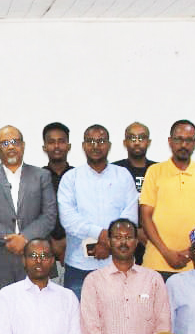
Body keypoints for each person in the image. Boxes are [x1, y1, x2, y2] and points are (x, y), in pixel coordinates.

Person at [80, 218, 170, 334]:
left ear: (136, 242)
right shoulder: (93, 280)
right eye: (117, 237)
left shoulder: (153, 279)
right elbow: (91, 331)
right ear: (109, 241)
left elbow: (163, 327)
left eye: (128, 237)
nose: (123, 242)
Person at [56, 124, 139, 298]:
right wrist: (103, 235)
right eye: (90, 141)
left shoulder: (123, 175)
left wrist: (108, 244)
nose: (96, 146)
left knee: (120, 313)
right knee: (79, 314)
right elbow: (69, 219)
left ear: (109, 145)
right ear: (83, 145)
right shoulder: (71, 178)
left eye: (101, 141)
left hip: (117, 263)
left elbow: (130, 217)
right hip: (79, 266)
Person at [0, 125, 57, 292]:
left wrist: (24, 239)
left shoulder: (42, 176)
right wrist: (9, 239)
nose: (10, 147)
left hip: (35, 259)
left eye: (15, 142)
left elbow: (49, 216)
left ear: (23, 145)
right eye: (5, 143)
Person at [140, 119, 195, 279]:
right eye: (179, 139)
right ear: (170, 141)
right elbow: (145, 216)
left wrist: (191, 252)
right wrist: (166, 253)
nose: (184, 145)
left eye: (189, 140)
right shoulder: (154, 171)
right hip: (156, 262)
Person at [114, 121, 155, 266]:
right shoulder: (114, 170)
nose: (137, 142)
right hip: (121, 238)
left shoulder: (158, 170)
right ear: (125, 142)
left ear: (148, 142)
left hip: (153, 238)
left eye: (141, 138)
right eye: (132, 138)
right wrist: (136, 231)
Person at [42, 122, 75, 268]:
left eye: (61, 141)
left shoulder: (79, 176)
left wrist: (67, 241)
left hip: (76, 248)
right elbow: (32, 213)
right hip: (43, 250)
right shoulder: (36, 178)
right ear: (44, 147)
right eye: (51, 142)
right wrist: (52, 242)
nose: (56, 146)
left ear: (68, 146)